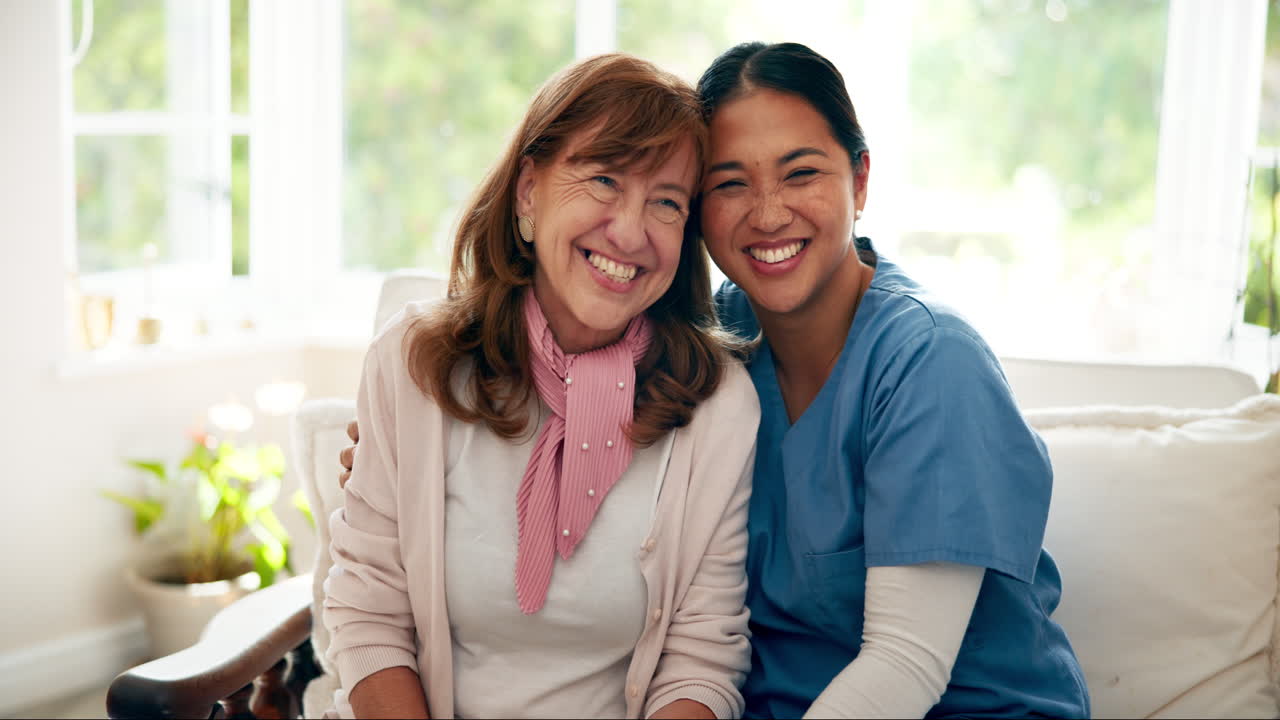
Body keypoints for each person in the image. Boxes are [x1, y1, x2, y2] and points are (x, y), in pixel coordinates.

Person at [342, 42, 1090, 719]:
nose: (768, 213)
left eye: (802, 173)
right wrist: (395, 460)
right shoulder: (715, 342)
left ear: (860, 181)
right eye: (729, 184)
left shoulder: (926, 363)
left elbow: (904, 663)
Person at [324, 53, 759, 720]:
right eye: (604, 179)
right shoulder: (413, 363)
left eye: (667, 202)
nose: (630, 230)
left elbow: (701, 663)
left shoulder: (718, 407)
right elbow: (367, 611)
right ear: (529, 192)